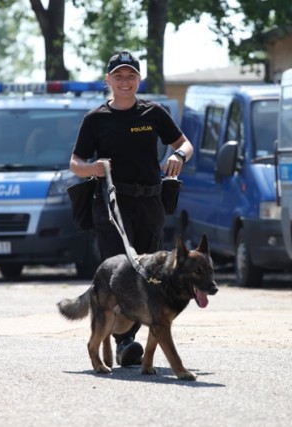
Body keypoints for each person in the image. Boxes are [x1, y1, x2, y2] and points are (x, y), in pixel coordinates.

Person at [69, 51, 194, 367]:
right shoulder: (95, 119)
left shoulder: (154, 112)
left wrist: (178, 157)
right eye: (119, 76)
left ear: (139, 80)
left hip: (150, 203)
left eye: (131, 76)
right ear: (108, 80)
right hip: (112, 205)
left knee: (150, 271)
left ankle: (131, 335)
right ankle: (125, 340)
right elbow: (75, 164)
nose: (125, 82)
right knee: (122, 271)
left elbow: (184, 144)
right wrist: (94, 168)